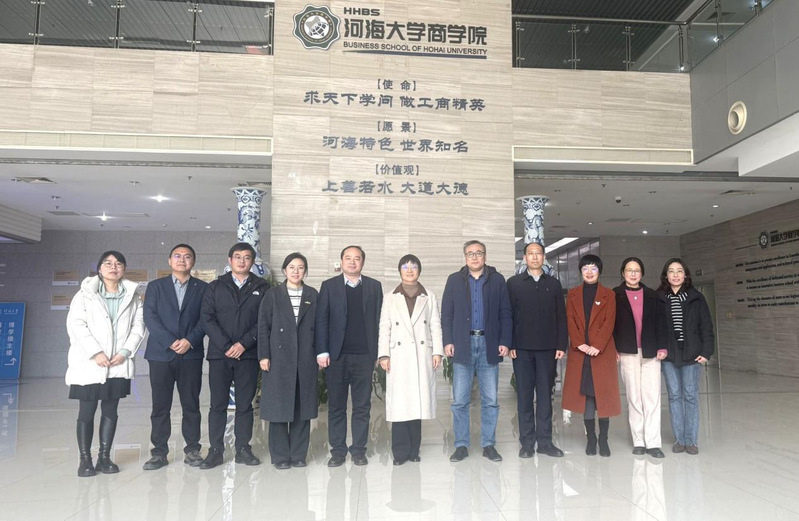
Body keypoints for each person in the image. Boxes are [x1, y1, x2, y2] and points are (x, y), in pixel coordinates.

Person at [66, 251, 145, 477]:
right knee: (87, 411)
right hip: (90, 363)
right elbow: (76, 325)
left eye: (118, 264)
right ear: (99, 268)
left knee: (111, 411)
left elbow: (138, 326)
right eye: (108, 263)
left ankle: (104, 457)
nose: (113, 267)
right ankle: (85, 460)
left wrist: (125, 352)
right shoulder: (84, 294)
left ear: (124, 269)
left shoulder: (133, 295)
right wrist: (96, 352)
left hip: (117, 363)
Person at [442, 240, 512, 463]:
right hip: (462, 344)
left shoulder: (497, 280)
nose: (474, 257)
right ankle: (461, 445)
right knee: (460, 401)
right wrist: (447, 340)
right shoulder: (454, 280)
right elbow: (447, 314)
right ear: (465, 257)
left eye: (478, 253)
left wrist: (505, 341)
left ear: (485, 256)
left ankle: (488, 444)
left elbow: (505, 313)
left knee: (490, 400)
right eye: (470, 254)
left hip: (489, 344)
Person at [200, 242, 268, 469]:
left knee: (245, 405)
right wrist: (227, 345)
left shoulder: (262, 287)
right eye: (237, 257)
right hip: (220, 355)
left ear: (252, 262)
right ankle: (215, 450)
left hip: (248, 355)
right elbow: (207, 318)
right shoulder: (215, 286)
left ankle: (243, 449)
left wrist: (243, 344)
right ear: (230, 260)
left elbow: (263, 320)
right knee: (217, 405)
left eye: (247, 257)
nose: (241, 261)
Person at [141, 244, 207, 470]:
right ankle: (159, 452)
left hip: (191, 354)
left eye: (187, 256)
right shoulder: (155, 287)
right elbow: (150, 317)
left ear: (193, 262)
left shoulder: (203, 288)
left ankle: (193, 449)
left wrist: (189, 340)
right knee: (160, 406)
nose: (182, 260)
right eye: (177, 256)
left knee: (191, 404)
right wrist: (170, 341)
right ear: (169, 261)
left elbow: (206, 319)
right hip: (161, 354)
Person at [316, 245, 383, 467]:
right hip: (336, 357)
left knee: (362, 406)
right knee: (336, 406)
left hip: (364, 356)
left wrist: (380, 352)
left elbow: (380, 321)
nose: (352, 262)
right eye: (348, 258)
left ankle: (359, 450)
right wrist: (322, 351)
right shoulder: (329, 286)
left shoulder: (374, 286)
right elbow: (321, 320)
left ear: (363, 262)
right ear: (341, 261)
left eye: (357, 258)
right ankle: (337, 451)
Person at [377, 254, 444, 465]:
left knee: (417, 405)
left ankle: (414, 450)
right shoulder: (390, 297)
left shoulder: (429, 296)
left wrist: (437, 351)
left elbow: (435, 325)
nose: (409, 270)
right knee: (400, 406)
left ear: (419, 270)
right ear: (399, 271)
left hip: (421, 355)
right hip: (398, 356)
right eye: (405, 267)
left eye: (413, 267)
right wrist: (384, 354)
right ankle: (399, 452)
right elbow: (384, 327)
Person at [506, 242, 567, 458]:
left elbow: (561, 316)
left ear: (543, 257)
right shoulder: (514, 283)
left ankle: (545, 442)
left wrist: (561, 344)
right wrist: (511, 344)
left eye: (538, 253)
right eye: (530, 253)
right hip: (521, 350)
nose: (534, 257)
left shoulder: (554, 284)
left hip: (547, 350)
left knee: (544, 397)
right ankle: (527, 443)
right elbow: (508, 315)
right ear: (524, 257)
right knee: (524, 397)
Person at [258, 252, 319, 469]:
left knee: (302, 408)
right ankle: (280, 456)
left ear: (305, 271)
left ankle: (299, 454)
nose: (296, 271)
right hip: (278, 358)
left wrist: (319, 354)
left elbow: (320, 327)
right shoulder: (273, 294)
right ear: (284, 270)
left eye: (300, 267)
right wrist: (264, 355)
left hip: (305, 357)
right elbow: (263, 326)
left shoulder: (313, 294)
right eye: (291, 267)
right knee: (278, 407)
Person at [562, 254, 621, 457]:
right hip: (581, 353)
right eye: (585, 268)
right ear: (580, 271)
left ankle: (603, 439)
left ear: (599, 271)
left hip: (601, 352)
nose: (589, 272)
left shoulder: (608, 294)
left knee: (602, 396)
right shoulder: (573, 294)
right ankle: (591, 439)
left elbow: (609, 321)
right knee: (586, 395)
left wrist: (597, 345)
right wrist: (580, 343)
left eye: (593, 268)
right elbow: (570, 320)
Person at [657, 258, 714, 455]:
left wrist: (706, 352)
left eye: (679, 271)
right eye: (671, 271)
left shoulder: (696, 297)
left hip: (692, 354)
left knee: (690, 396)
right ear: (666, 275)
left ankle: (691, 441)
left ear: (685, 275)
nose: (675, 275)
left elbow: (706, 326)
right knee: (674, 396)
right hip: (669, 355)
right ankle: (679, 440)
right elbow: (655, 326)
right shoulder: (659, 297)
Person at [613, 257, 668, 459]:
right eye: (629, 270)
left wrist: (663, 346)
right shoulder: (615, 295)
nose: (633, 274)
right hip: (627, 351)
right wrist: (613, 348)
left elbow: (661, 323)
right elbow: (611, 325)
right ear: (623, 273)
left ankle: (653, 442)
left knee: (652, 397)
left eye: (637, 270)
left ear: (642, 273)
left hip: (651, 351)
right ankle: (638, 441)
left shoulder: (653, 295)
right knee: (634, 397)